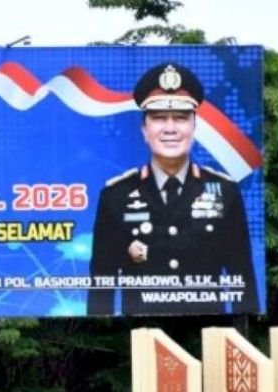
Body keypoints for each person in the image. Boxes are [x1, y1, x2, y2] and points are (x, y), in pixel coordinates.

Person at [87, 62, 257, 316]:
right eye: (158, 118)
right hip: (139, 333)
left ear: (193, 127)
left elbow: (241, 275)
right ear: (144, 129)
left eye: (180, 118)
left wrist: (241, 336)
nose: (170, 128)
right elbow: (102, 284)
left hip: (209, 331)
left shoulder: (224, 190)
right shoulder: (116, 195)